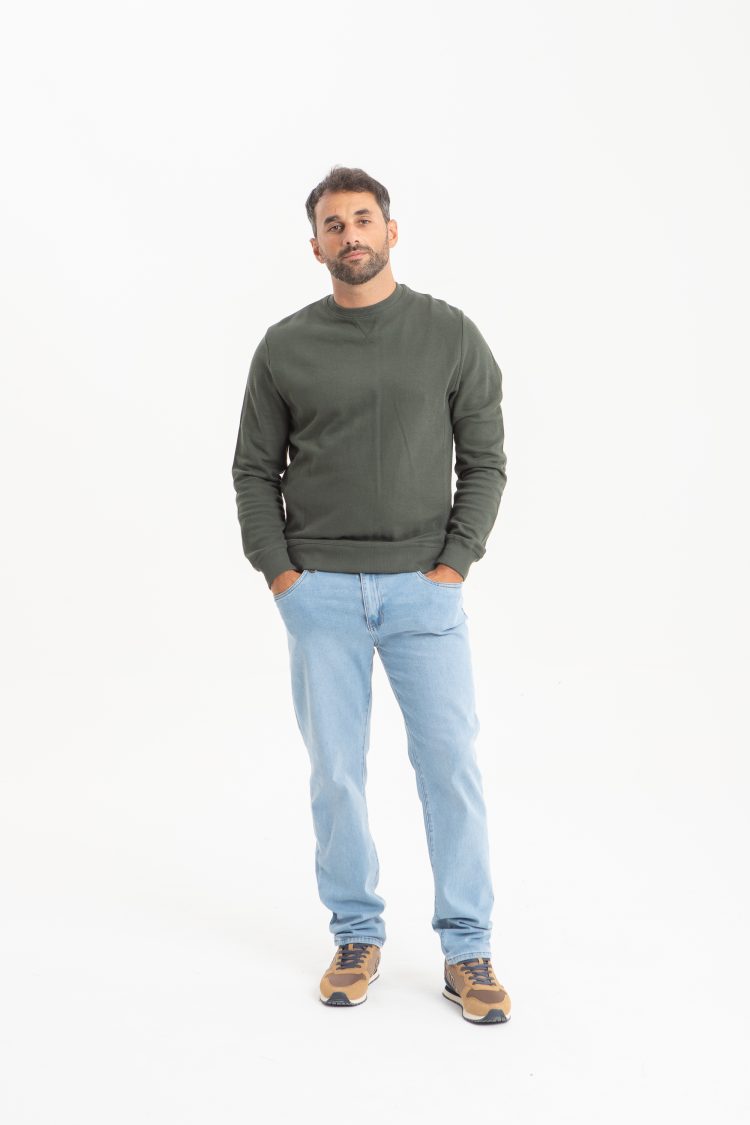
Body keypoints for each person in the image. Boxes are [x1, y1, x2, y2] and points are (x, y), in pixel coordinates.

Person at [231, 165, 511, 1024]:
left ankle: (467, 948)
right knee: (336, 775)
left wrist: (454, 564)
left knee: (451, 767)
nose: (349, 234)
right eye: (333, 224)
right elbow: (253, 470)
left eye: (362, 218)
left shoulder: (449, 333)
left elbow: (486, 461)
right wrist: (283, 575)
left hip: (425, 594)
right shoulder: (285, 346)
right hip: (319, 594)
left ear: (391, 231)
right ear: (315, 246)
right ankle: (356, 933)